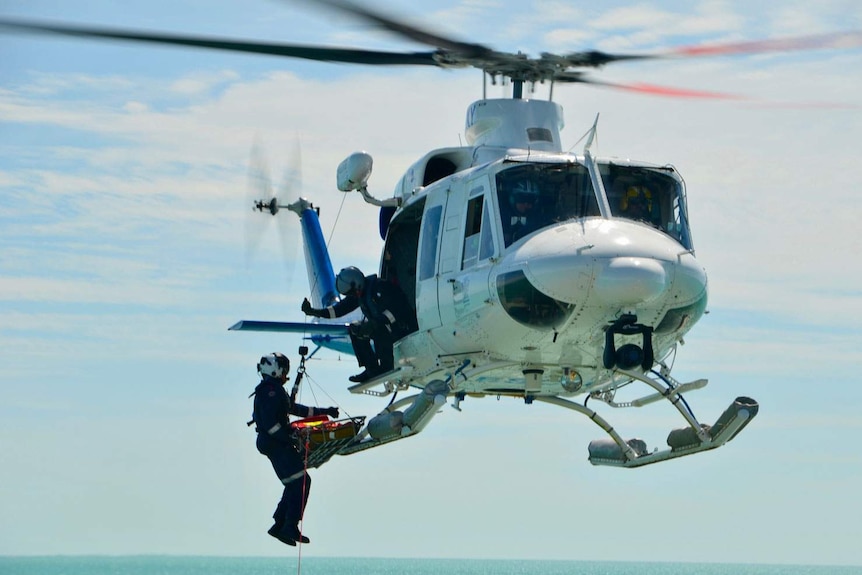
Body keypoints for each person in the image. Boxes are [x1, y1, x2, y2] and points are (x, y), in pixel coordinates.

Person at [251, 352, 339, 547]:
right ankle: (289, 525)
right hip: (275, 443)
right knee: (302, 481)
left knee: (294, 483)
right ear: (276, 369)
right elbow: (269, 422)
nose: (286, 375)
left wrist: (326, 411)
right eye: (285, 370)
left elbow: (295, 409)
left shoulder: (272, 390)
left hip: (272, 443)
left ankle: (279, 524)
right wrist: (287, 436)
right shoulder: (270, 391)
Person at [302, 266, 417, 383]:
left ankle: (385, 366)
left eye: (352, 293)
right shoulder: (360, 293)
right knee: (355, 329)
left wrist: (375, 323)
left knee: (378, 329)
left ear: (357, 284)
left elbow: (399, 308)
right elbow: (339, 310)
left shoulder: (381, 287)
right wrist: (315, 312)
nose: (353, 296)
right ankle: (371, 368)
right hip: (387, 328)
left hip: (403, 328)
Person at [506, 180, 540, 244]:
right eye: (522, 199)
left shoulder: (538, 220)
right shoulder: (502, 218)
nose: (526, 204)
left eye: (530, 200)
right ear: (513, 199)